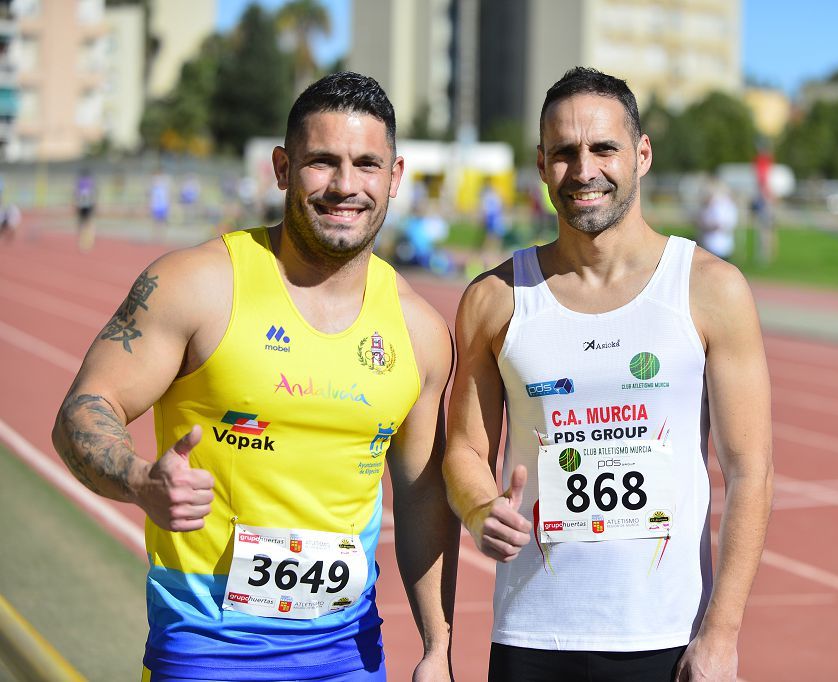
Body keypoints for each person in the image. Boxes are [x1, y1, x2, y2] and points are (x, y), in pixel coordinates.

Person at [52, 72, 460, 682]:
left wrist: (436, 647)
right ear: (282, 168)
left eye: (367, 165)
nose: (346, 186)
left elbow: (423, 492)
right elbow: (84, 410)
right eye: (322, 162)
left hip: (348, 656)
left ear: (395, 176)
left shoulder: (420, 332)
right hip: (204, 650)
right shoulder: (197, 285)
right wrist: (138, 479)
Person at [442, 67, 773, 681]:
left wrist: (721, 634)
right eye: (564, 153)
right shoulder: (495, 298)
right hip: (532, 634)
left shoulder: (710, 289)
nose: (584, 169)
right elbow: (463, 448)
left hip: (669, 635)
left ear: (641, 155)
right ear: (541, 165)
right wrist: (478, 507)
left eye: (604, 148)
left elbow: (750, 470)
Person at [696, 181, 738, 262]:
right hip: (711, 244)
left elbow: (724, 223)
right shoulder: (712, 205)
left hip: (721, 245)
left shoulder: (725, 205)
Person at [74, 167, 98, 252]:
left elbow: (76, 193)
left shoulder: (79, 182)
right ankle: (88, 239)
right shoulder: (90, 182)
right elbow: (94, 193)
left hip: (81, 205)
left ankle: (82, 239)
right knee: (89, 223)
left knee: (81, 223)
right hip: (88, 205)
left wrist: (76, 204)